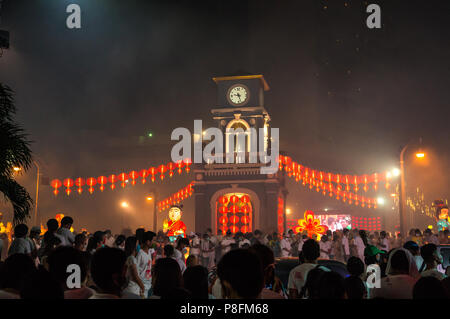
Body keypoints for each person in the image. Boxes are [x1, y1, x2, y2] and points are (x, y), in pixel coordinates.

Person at [136, 231, 155, 298]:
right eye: (153, 240)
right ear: (148, 242)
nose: (154, 242)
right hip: (142, 286)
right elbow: (136, 271)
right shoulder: (140, 254)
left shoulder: (149, 252)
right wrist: (141, 286)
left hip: (148, 284)